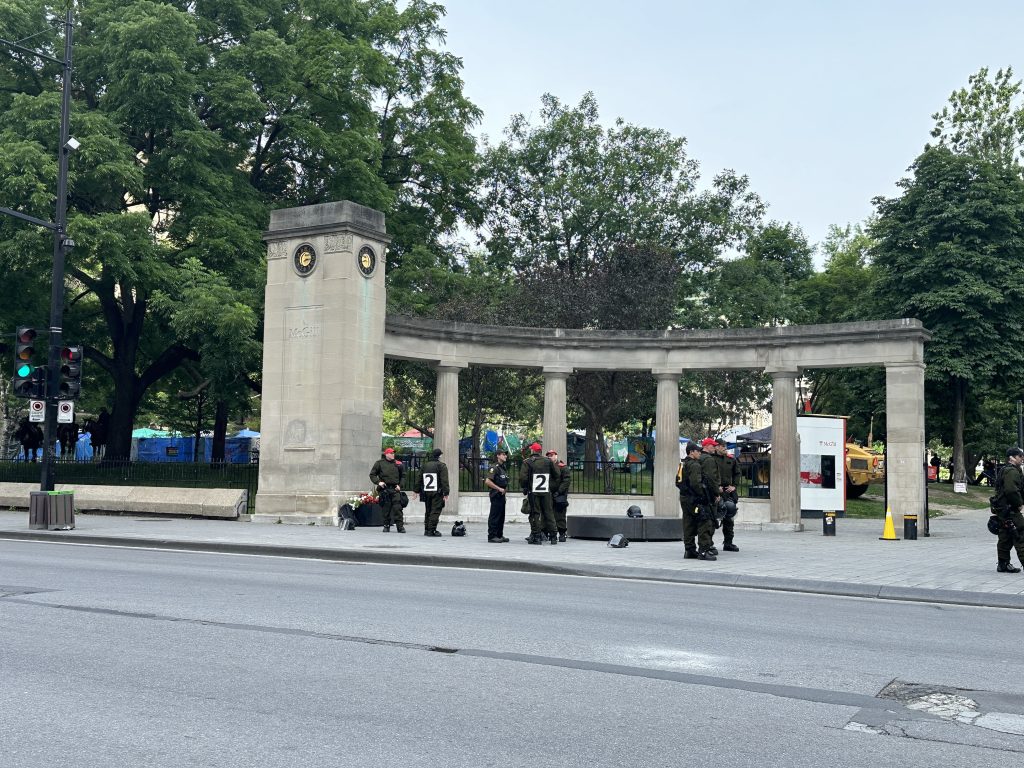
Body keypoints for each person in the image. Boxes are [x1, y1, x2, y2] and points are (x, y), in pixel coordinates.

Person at [676, 442, 716, 560]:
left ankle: (689, 550)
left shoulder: (682, 464)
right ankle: (703, 551)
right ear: (691, 452)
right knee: (704, 521)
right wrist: (702, 496)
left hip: (685, 498)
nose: (699, 453)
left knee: (688, 523)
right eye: (697, 451)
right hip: (695, 498)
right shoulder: (694, 465)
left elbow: (677, 482)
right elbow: (695, 483)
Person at [992, 447, 1024, 573]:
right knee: (1020, 534)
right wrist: (1019, 503)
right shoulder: (1011, 471)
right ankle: (1004, 563)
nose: (1022, 458)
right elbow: (1011, 490)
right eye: (1020, 456)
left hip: (1003, 510)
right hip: (1010, 509)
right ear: (1012, 457)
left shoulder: (1006, 470)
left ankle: (1003, 564)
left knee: (1005, 536)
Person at [520, 442, 558, 545]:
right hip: (546, 491)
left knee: (535, 513)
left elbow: (523, 478)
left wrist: (525, 487)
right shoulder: (548, 461)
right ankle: (553, 536)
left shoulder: (527, 462)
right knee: (548, 513)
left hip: (534, 492)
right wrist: (550, 486)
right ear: (540, 451)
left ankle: (536, 536)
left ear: (532, 451)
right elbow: (556, 474)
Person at [714, 439, 741, 552]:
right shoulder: (711, 459)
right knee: (713, 518)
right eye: (721, 446)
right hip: (716, 490)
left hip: (728, 491)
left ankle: (728, 543)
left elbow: (737, 473)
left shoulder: (731, 459)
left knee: (729, 518)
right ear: (716, 447)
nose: (724, 447)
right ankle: (708, 544)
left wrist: (734, 485)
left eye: (725, 445)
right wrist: (716, 487)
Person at [369, 447, 405, 532]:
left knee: (398, 508)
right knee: (386, 508)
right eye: (391, 453)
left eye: (393, 453)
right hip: (385, 489)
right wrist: (378, 482)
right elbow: (372, 474)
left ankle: (400, 527)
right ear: (386, 454)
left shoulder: (398, 464)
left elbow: (403, 476)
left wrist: (400, 485)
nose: (393, 454)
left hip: (395, 489)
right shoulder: (379, 463)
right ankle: (386, 525)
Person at [698, 437, 723, 555]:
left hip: (701, 494)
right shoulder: (708, 459)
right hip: (708, 495)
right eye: (713, 445)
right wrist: (716, 493)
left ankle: (702, 546)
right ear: (707, 446)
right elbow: (711, 478)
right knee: (708, 522)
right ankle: (706, 547)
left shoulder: (699, 458)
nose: (714, 447)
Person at [418, 448, 450, 536]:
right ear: (439, 456)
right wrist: (446, 492)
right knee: (435, 511)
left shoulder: (425, 465)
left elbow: (419, 478)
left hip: (426, 491)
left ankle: (426, 528)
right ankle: (431, 530)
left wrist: (416, 490)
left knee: (428, 510)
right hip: (437, 492)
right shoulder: (441, 466)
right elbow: (444, 480)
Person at [484, 449, 511, 543]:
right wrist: (498, 488)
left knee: (501, 516)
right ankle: (492, 536)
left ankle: (499, 535)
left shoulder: (502, 467)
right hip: (496, 495)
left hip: (502, 495)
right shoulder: (494, 467)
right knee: (495, 516)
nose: (505, 456)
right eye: (503, 454)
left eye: (505, 455)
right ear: (498, 456)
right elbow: (487, 481)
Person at [547, 449, 571, 542]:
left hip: (560, 495)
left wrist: (559, 491)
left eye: (552, 455)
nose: (550, 457)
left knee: (560, 514)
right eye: (549, 455)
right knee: (549, 514)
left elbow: (566, 481)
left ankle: (562, 533)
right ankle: (551, 532)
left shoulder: (563, 467)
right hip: (549, 493)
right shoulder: (547, 467)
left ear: (556, 456)